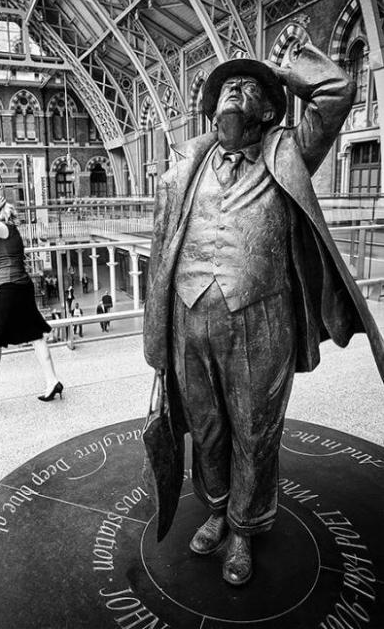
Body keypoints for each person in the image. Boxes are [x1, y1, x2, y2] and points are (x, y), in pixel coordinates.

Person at [143, 43, 384, 586]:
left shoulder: (290, 153)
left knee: (255, 431)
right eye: (229, 85)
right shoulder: (187, 165)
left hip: (260, 320)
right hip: (188, 318)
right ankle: (216, 508)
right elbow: (162, 250)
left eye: (250, 90)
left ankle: (245, 531)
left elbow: (336, 91)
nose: (236, 90)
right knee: (206, 431)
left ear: (271, 112)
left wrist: (272, 71)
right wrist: (156, 335)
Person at [0, 191, 63, 408]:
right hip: (18, 286)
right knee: (35, 336)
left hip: (12, 290)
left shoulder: (1, 227)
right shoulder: (1, 230)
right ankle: (53, 382)